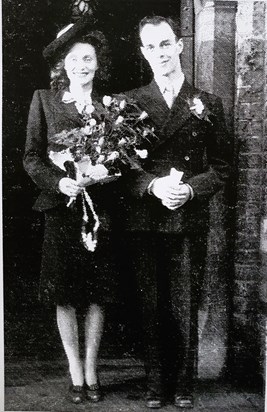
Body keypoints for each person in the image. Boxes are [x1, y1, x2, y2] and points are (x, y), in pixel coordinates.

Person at [118, 15, 231, 409]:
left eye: (165, 44)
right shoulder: (128, 103)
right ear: (143, 52)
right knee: (150, 304)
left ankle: (183, 385)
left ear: (180, 46)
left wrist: (190, 188)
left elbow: (222, 166)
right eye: (150, 47)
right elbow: (121, 167)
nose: (159, 53)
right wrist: (152, 184)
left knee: (184, 302)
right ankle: (155, 385)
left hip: (187, 218)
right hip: (146, 218)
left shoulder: (208, 103)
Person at [24, 16, 116, 404]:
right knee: (64, 293)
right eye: (75, 58)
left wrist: (101, 172)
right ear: (63, 64)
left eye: (89, 58)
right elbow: (31, 157)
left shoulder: (111, 107)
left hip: (99, 210)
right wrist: (58, 182)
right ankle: (75, 373)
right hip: (61, 209)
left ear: (98, 64)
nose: (82, 65)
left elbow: (119, 159)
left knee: (97, 294)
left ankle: (93, 371)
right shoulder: (44, 101)